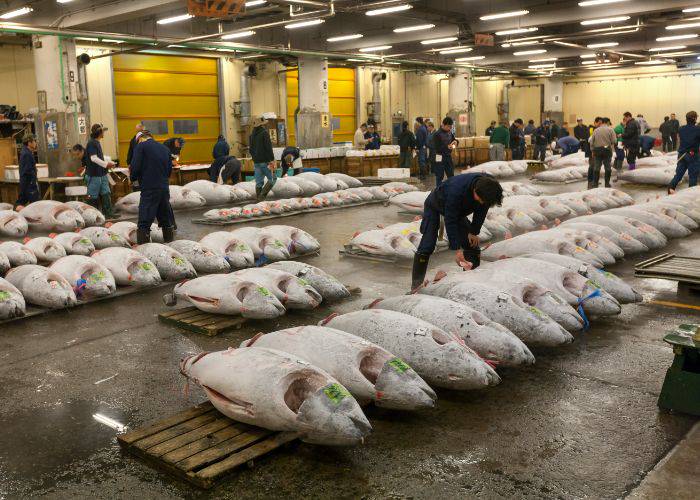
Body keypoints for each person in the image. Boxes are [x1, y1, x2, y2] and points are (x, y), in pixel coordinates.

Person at [411, 173, 504, 290]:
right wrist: (457, 249)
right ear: (475, 190)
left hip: (459, 211)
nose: (480, 202)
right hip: (435, 205)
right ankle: (415, 286)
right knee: (427, 245)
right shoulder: (457, 190)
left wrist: (474, 231)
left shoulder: (488, 188)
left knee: (472, 246)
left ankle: (469, 285)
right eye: (479, 199)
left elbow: (481, 211)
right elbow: (450, 220)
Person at [130, 131, 175, 244]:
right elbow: (169, 171)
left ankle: (144, 248)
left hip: (149, 188)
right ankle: (169, 243)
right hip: (164, 188)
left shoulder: (141, 146)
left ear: (140, 139)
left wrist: (133, 178)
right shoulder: (165, 149)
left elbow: (135, 167)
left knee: (144, 220)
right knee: (165, 218)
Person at [85, 123, 114, 218]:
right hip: (94, 176)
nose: (104, 133)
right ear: (99, 133)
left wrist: (107, 162)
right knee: (92, 196)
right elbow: (93, 158)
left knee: (106, 193)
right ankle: (93, 216)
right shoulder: (92, 143)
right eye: (103, 131)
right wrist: (106, 164)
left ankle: (109, 214)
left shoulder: (96, 142)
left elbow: (98, 158)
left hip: (102, 174)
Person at [668, 111, 700, 194]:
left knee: (678, 175)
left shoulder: (681, 129)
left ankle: (670, 189)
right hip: (692, 155)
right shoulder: (698, 129)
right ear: (695, 119)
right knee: (693, 176)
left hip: (682, 155)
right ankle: (691, 195)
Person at [249, 116, 276, 200]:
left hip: (256, 162)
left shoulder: (251, 135)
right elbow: (268, 148)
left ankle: (259, 201)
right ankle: (262, 196)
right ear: (262, 124)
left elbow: (250, 149)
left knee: (259, 183)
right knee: (273, 179)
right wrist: (271, 160)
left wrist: (255, 158)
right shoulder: (264, 133)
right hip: (265, 162)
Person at [589, 117, 617, 188]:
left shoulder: (596, 130)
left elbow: (592, 142)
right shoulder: (610, 130)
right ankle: (607, 184)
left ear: (602, 122)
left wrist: (592, 150)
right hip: (607, 150)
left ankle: (595, 183)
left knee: (597, 167)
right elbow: (614, 141)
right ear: (607, 122)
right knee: (607, 167)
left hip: (597, 150)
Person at [432, 117, 458, 186]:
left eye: (450, 127)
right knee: (439, 176)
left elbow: (454, 140)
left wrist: (456, 142)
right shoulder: (437, 134)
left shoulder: (450, 133)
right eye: (448, 126)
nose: (449, 128)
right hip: (439, 157)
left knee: (451, 175)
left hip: (448, 157)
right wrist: (447, 147)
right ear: (443, 124)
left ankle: (451, 190)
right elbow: (437, 148)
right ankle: (438, 191)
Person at [16, 134, 39, 207]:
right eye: (34, 141)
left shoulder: (26, 152)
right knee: (36, 205)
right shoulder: (26, 154)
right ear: (29, 143)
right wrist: (34, 175)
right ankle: (13, 213)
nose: (35, 143)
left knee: (21, 202)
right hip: (29, 184)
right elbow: (27, 170)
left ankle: (14, 213)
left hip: (26, 183)